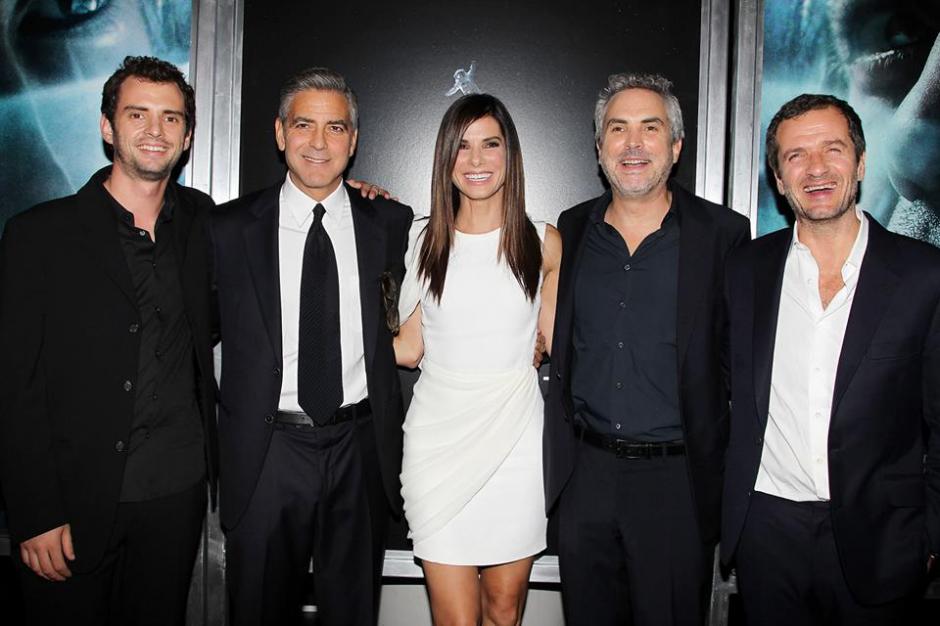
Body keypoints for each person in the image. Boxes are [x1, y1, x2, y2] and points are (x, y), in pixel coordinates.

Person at [0, 55, 217, 626]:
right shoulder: (38, 236)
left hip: (174, 496)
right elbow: (12, 385)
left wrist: (354, 193)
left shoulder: (206, 224)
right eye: (138, 114)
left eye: (171, 118)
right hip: (71, 505)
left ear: (188, 135)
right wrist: (33, 512)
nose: (155, 130)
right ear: (107, 127)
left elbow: (281, 216)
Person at [721, 93, 940, 625]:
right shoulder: (744, 271)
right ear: (778, 177)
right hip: (767, 534)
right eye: (795, 155)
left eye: (833, 149)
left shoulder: (923, 275)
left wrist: (931, 534)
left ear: (861, 163)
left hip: (883, 537)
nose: (816, 168)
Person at [543, 73, 750, 626]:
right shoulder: (572, 228)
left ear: (676, 146)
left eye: (650, 128)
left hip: (675, 486)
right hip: (584, 478)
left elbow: (740, 367)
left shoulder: (723, 235)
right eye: (618, 128)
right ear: (599, 146)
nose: (633, 144)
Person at [211, 67, 413, 626]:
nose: (319, 143)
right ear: (279, 133)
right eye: (304, 125)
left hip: (359, 447)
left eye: (336, 128)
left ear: (354, 139)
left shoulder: (391, 223)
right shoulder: (227, 230)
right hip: (267, 450)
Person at [394, 93, 561, 626]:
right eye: (462, 147)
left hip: (515, 443)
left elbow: (557, 341)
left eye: (491, 144)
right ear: (446, 158)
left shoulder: (544, 243)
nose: (477, 160)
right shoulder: (422, 239)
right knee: (456, 619)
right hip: (437, 446)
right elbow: (409, 347)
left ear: (510, 154)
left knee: (504, 610)